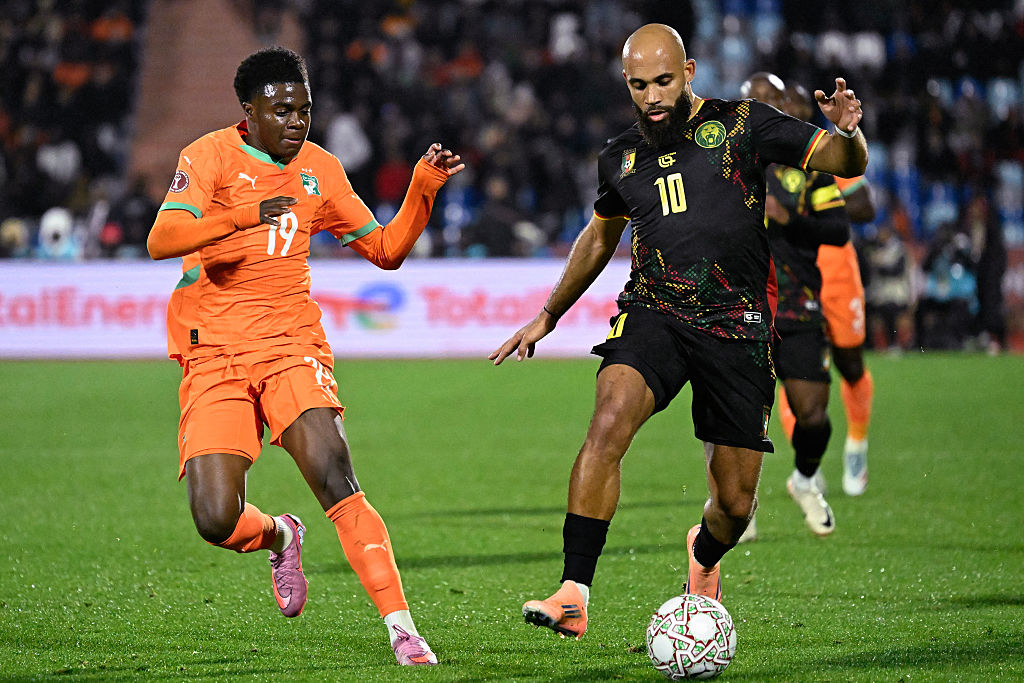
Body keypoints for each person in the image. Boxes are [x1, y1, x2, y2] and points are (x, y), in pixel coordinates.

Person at [490, 23, 866, 639]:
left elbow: (842, 161)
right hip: (655, 311)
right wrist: (548, 314)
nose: (653, 97)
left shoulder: (744, 124)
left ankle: (704, 553)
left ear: (689, 72)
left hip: (737, 326)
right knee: (608, 421)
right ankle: (573, 591)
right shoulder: (620, 157)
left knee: (735, 505)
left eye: (663, 81)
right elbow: (599, 238)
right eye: (639, 85)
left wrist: (848, 132)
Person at [146, 47, 463, 666]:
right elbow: (162, 239)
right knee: (215, 519)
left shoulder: (320, 169)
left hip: (290, 345)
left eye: (305, 110)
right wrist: (242, 216)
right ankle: (280, 533)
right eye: (282, 110)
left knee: (336, 476)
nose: (297, 121)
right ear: (250, 111)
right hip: (214, 353)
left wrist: (423, 189)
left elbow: (385, 250)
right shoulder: (207, 156)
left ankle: (402, 629)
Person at [738, 73, 850, 541]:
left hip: (798, 304)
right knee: (739, 417)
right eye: (757, 100)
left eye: (774, 98)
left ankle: (804, 479)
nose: (768, 106)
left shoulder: (809, 166)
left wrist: (790, 217)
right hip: (743, 305)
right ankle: (736, 505)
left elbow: (839, 229)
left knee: (815, 417)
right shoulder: (725, 162)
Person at [775, 82, 875, 498]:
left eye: (799, 104)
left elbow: (865, 207)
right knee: (792, 375)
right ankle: (808, 468)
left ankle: (857, 444)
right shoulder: (766, 161)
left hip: (836, 274)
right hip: (791, 282)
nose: (793, 111)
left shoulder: (825, 154)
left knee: (850, 364)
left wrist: (811, 201)